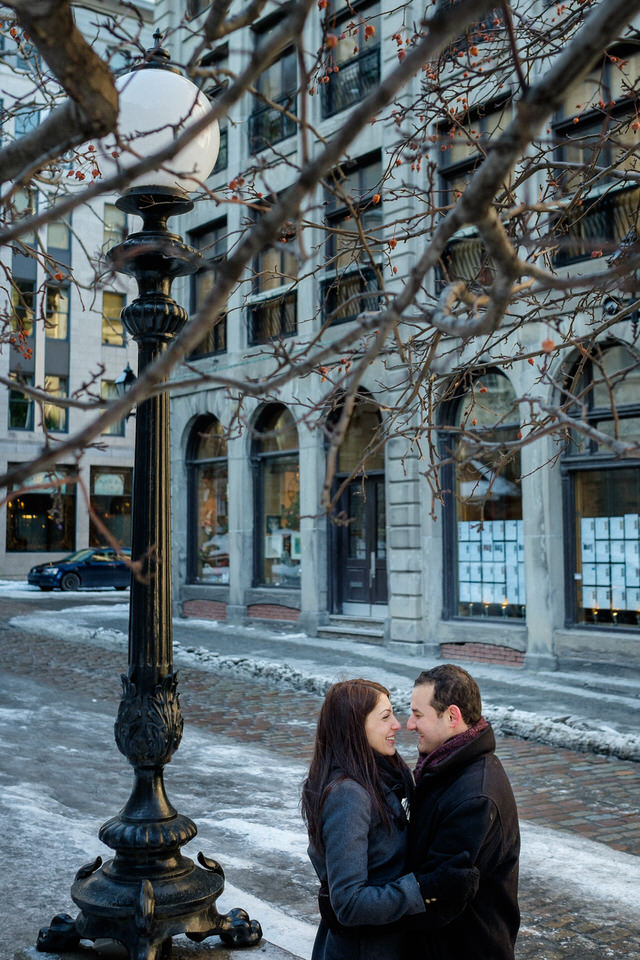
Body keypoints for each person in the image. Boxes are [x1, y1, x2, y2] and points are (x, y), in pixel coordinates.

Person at [301, 678, 478, 960]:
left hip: (387, 943)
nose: (398, 724)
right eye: (385, 717)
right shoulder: (349, 795)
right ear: (354, 728)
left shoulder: (382, 776)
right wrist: (424, 888)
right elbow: (348, 903)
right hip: (362, 950)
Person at [404, 664, 520, 960]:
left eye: (418, 715)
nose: (408, 724)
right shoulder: (446, 767)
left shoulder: (474, 796)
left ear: (452, 716)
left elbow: (439, 898)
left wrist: (367, 907)